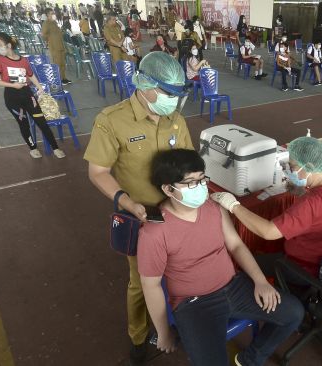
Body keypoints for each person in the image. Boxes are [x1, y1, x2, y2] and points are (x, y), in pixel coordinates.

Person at [138, 149, 304, 366]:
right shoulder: (154, 232)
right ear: (168, 189)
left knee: (293, 313)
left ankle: (250, 359)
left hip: (233, 286)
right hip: (195, 304)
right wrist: (163, 332)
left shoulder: (213, 207)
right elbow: (150, 286)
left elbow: (235, 245)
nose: (199, 188)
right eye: (191, 183)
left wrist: (260, 281)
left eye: (202, 179)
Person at [83, 52, 194, 365]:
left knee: (180, 273)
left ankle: (177, 322)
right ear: (146, 86)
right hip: (141, 217)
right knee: (140, 282)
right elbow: (98, 172)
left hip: (178, 212)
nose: (173, 102)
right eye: (168, 94)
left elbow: (188, 163)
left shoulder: (176, 119)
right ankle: (138, 335)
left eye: (177, 95)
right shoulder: (111, 120)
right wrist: (128, 203)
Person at [211, 136, 322, 282]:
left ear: (309, 166)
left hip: (303, 267)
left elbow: (268, 232)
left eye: (292, 167)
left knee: (245, 266)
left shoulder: (310, 204)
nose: (289, 170)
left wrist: (233, 205)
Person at [0, 32, 65, 159]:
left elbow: (30, 75)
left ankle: (55, 147)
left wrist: (39, 87)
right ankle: (33, 148)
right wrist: (13, 85)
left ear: (8, 45)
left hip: (27, 94)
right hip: (12, 97)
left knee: (41, 122)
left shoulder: (23, 60)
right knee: (23, 124)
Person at [41, 8, 71, 84]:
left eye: (53, 13)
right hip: (54, 47)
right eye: (52, 13)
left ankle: (64, 78)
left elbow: (57, 32)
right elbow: (43, 35)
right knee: (57, 64)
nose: (53, 14)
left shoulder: (54, 22)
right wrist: (50, 39)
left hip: (60, 45)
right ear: (47, 15)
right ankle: (59, 80)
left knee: (62, 64)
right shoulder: (46, 23)